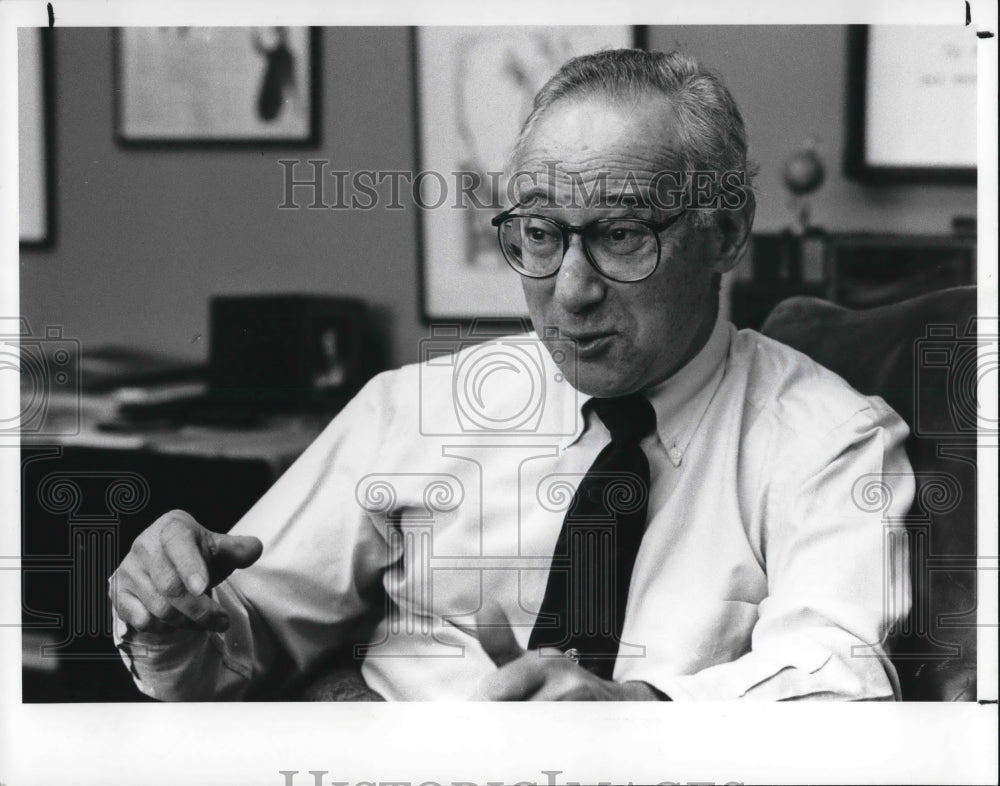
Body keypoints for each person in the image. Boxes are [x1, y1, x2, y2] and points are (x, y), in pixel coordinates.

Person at [109, 49, 913, 701]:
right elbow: (229, 653)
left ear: (727, 232)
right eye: (537, 233)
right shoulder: (412, 412)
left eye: (623, 233)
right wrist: (167, 616)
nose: (570, 289)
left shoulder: (826, 439)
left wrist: (638, 715)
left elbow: (838, 677)